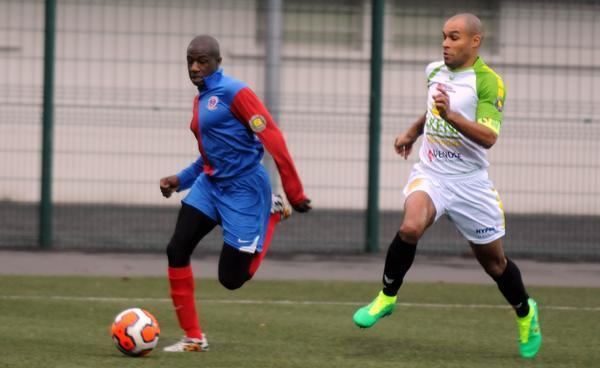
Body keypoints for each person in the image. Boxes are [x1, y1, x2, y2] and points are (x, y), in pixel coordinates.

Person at [352, 14, 541, 359]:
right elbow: (432, 110)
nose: (445, 44)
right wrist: (412, 131)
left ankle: (525, 312)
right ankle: (387, 297)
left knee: (495, 264)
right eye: (443, 37)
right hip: (433, 173)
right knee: (410, 227)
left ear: (475, 41)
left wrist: (452, 115)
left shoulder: (489, 83)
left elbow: (489, 137)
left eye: (454, 37)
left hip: (471, 184)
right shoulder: (434, 71)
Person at [160, 35, 311, 352]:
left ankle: (272, 214)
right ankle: (193, 338)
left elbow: (272, 136)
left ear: (218, 61)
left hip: (244, 189)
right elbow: (210, 157)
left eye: (202, 60)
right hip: (210, 186)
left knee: (232, 279)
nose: (194, 67)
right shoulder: (201, 99)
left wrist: (294, 191)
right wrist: (180, 179)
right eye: (190, 60)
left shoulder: (235, 93)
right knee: (177, 249)